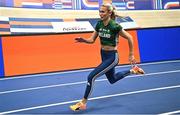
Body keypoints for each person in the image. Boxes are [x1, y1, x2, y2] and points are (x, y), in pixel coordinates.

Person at [70, 3, 145, 111]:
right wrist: (84, 40)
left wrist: (131, 54)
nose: (100, 14)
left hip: (112, 57)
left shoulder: (115, 26)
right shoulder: (99, 24)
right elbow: (92, 40)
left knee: (91, 77)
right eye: (100, 11)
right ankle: (133, 71)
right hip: (103, 55)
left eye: (103, 11)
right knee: (112, 79)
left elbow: (129, 37)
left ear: (109, 12)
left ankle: (83, 102)